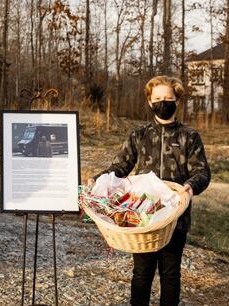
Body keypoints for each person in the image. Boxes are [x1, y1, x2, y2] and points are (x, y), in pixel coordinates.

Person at [89, 75, 211, 306]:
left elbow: (202, 173)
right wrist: (96, 180)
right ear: (149, 101)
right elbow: (120, 167)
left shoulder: (190, 137)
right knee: (142, 272)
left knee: (170, 272)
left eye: (168, 98)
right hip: (143, 216)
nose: (162, 102)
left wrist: (191, 186)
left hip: (176, 217)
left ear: (177, 100)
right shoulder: (139, 135)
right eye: (157, 98)